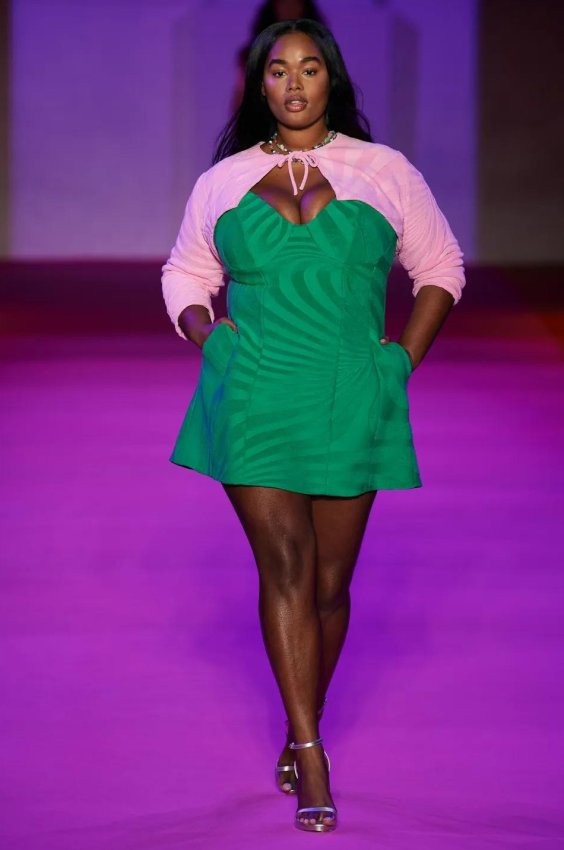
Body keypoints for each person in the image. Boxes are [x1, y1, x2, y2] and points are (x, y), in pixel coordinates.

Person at [161, 18, 465, 833]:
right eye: (277, 70)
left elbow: (440, 266)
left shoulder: (384, 170)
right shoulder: (223, 180)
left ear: (332, 78)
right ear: (259, 84)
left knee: (331, 584)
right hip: (252, 394)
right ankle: (311, 750)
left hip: (348, 396)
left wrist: (400, 362)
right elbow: (186, 270)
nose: (293, 83)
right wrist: (205, 333)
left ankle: (307, 721)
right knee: (288, 568)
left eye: (309, 68)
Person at [231, 0, 326, 112]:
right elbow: (241, 96)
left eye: (309, 72)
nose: (293, 85)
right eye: (279, 73)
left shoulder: (320, 50)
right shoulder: (253, 54)